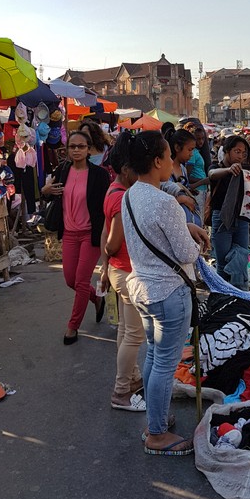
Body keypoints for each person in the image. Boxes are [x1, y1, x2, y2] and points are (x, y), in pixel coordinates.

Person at [122, 131, 209, 455]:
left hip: (143, 289)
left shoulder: (130, 195)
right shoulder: (165, 203)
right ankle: (156, 434)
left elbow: (151, 233)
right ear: (157, 161)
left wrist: (184, 227)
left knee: (155, 358)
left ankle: (155, 420)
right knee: (163, 364)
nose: (173, 161)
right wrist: (193, 236)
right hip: (168, 293)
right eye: (168, 156)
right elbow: (187, 254)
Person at [42, 130, 111, 344]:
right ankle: (97, 300)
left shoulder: (99, 175)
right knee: (70, 280)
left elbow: (107, 207)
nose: (77, 150)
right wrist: (45, 190)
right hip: (69, 233)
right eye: (73, 146)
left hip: (91, 234)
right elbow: (48, 192)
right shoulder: (62, 170)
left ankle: (73, 327)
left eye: (81, 146)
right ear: (67, 150)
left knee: (81, 281)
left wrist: (109, 236)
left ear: (89, 149)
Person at [100, 132, 146, 412]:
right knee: (134, 336)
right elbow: (112, 240)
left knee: (127, 332)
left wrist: (105, 267)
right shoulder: (121, 198)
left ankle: (131, 379)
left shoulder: (113, 190)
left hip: (119, 271)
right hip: (127, 271)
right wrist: (108, 258)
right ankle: (120, 392)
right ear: (127, 170)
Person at [208, 135, 250, 289]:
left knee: (241, 262)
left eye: (243, 152)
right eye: (237, 151)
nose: (240, 156)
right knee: (223, 265)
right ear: (226, 151)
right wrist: (228, 170)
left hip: (241, 220)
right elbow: (211, 175)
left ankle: (243, 299)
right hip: (221, 220)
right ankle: (223, 299)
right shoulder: (216, 167)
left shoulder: (245, 170)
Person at [166, 128, 202, 226]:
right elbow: (163, 201)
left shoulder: (183, 168)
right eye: (189, 150)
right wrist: (183, 199)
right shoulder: (165, 171)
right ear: (177, 148)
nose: (191, 154)